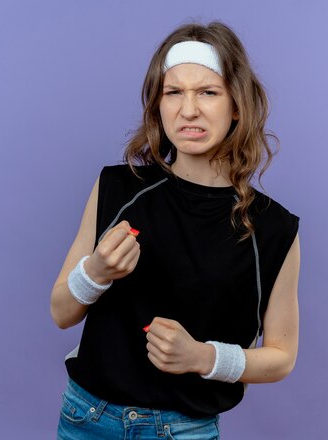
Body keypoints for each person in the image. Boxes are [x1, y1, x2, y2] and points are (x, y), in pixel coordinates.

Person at [50, 21, 300, 439]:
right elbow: (61, 312)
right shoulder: (118, 187)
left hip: (183, 430)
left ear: (237, 104)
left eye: (208, 92)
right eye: (174, 92)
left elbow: (281, 357)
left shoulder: (273, 228)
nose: (189, 110)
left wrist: (204, 358)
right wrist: (94, 273)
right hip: (86, 417)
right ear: (158, 104)